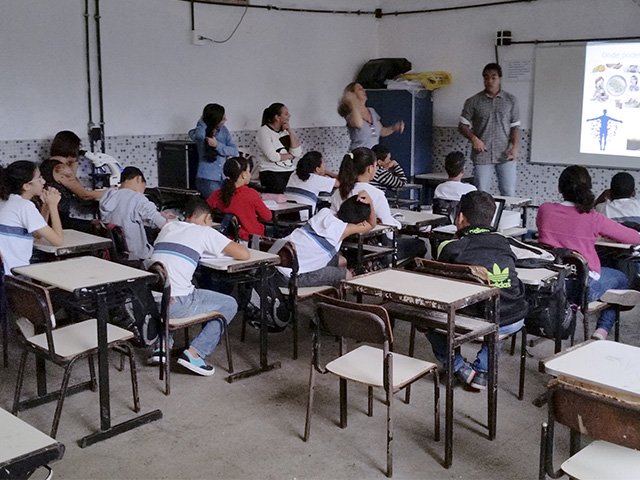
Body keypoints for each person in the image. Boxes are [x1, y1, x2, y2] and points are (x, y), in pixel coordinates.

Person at [426, 190, 527, 390]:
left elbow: (441, 286)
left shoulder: (450, 247)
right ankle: (483, 370)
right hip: (514, 317)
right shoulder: (505, 243)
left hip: (475, 321)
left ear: (461, 217)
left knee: (426, 318)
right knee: (494, 316)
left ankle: (459, 368)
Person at [537, 165, 640, 340]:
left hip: (550, 282)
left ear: (560, 187)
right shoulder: (592, 217)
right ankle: (602, 329)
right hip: (584, 286)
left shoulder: (544, 210)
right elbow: (633, 238)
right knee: (621, 277)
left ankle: (571, 308)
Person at [149, 198, 249, 376]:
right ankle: (195, 354)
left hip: (152, 302)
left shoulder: (169, 227)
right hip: (176, 304)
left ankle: (162, 346)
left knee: (180, 282)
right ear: (206, 219)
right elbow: (243, 253)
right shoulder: (205, 232)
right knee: (229, 304)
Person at [329, 147, 426, 262]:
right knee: (420, 244)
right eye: (376, 166)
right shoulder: (375, 194)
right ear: (370, 168)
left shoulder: (338, 192)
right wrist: (398, 223)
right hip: (376, 251)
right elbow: (389, 228)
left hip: (346, 248)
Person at [275, 192, 376, 289]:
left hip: (275, 260)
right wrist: (370, 202)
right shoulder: (343, 229)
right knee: (347, 275)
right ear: (360, 223)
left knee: (342, 261)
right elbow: (372, 224)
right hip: (289, 276)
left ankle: (332, 294)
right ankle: (333, 302)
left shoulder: (325, 212)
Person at [458, 63, 521, 196]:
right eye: (486, 77)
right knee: (481, 193)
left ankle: (507, 217)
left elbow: (515, 126)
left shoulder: (511, 100)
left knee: (508, 192)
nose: (490, 81)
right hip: (482, 154)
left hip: (505, 154)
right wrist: (474, 138)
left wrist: (515, 147)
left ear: (500, 78)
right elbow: (462, 125)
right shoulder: (473, 101)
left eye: (493, 77)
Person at [0, 161, 64, 274]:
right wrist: (53, 206)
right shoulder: (25, 206)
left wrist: (46, 206)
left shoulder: (8, 201)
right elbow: (58, 241)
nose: (43, 182)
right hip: (15, 273)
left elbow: (37, 234)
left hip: (5, 270)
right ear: (26, 186)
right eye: (39, 178)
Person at [99, 167, 174, 262]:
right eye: (144, 187)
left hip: (113, 255)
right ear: (138, 178)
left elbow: (125, 216)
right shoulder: (137, 198)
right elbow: (161, 223)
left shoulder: (107, 196)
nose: (143, 191)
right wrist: (169, 220)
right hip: (137, 257)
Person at [40, 130, 104, 230]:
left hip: (46, 219)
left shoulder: (45, 164)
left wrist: (74, 161)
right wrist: (111, 192)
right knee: (99, 226)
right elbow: (85, 195)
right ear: (73, 148)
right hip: (58, 221)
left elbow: (71, 183)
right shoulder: (61, 168)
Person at [207, 156, 272, 242]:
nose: (250, 174)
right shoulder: (251, 194)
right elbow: (267, 217)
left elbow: (206, 210)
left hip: (225, 239)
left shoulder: (216, 194)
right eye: (249, 171)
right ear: (243, 175)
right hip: (250, 240)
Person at [189, 103, 239, 198]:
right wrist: (203, 120)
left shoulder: (224, 131)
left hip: (223, 177)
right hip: (207, 178)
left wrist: (217, 145)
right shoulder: (201, 132)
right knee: (217, 205)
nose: (225, 120)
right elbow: (199, 136)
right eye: (223, 118)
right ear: (215, 119)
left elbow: (234, 151)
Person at [338, 82, 404, 151]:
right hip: (358, 157)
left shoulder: (371, 111)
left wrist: (394, 128)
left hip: (372, 156)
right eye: (360, 89)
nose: (364, 91)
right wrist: (352, 101)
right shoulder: (351, 112)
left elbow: (381, 131)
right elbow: (358, 123)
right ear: (352, 94)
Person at [255, 103, 302, 193]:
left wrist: (290, 131)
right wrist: (291, 155)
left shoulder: (285, 131)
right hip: (272, 173)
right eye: (286, 114)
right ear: (277, 117)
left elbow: (298, 152)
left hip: (290, 171)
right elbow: (273, 157)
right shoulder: (263, 131)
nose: (289, 116)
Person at [284, 151, 337, 218]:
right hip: (303, 217)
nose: (325, 165)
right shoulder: (317, 179)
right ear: (317, 169)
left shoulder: (294, 175)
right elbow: (340, 182)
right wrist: (327, 172)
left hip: (285, 215)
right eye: (323, 163)